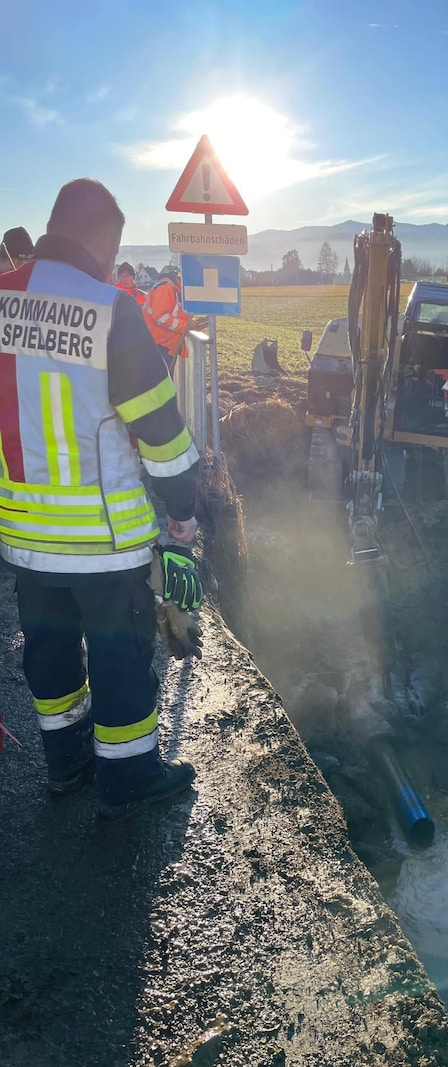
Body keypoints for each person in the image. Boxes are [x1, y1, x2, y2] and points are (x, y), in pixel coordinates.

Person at [0, 178, 202, 820]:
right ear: (102, 240)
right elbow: (162, 433)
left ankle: (65, 766)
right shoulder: (111, 310)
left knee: (50, 651)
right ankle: (128, 774)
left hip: (25, 535)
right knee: (118, 653)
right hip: (104, 540)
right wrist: (181, 512)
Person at [143, 266, 191, 375]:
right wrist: (186, 326)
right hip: (161, 346)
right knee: (162, 387)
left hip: (161, 345)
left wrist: (190, 323)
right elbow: (161, 316)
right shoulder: (166, 287)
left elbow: (173, 313)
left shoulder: (171, 288)